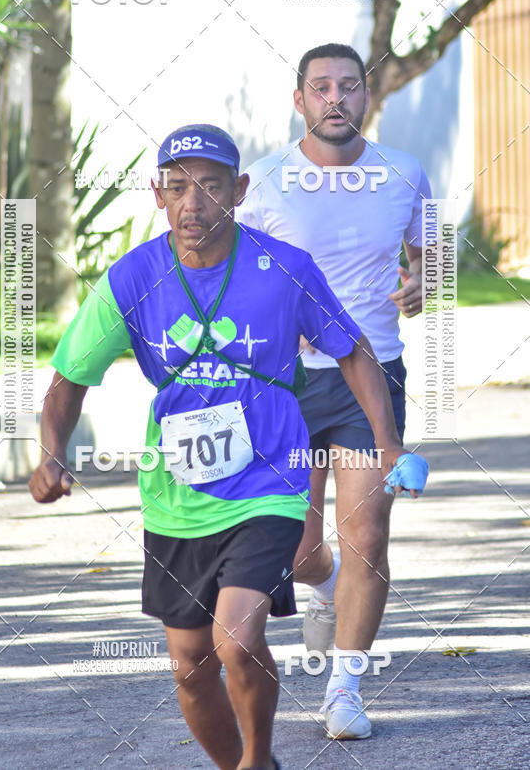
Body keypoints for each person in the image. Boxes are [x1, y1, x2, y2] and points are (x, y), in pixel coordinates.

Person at [29, 123, 414, 768]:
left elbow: (353, 352)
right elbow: (68, 380)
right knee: (189, 664)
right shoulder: (131, 278)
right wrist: (53, 453)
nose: (193, 202)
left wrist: (388, 445)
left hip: (269, 482)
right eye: (177, 187)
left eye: (209, 186)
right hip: (176, 493)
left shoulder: (283, 268)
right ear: (157, 195)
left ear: (237, 192)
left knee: (235, 637)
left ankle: (257, 758)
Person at [236, 43, 432, 740]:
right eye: (321, 87)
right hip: (283, 387)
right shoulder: (261, 182)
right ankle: (327, 587)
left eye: (349, 86)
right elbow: (232, 277)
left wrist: (421, 284)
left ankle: (345, 688)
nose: (335, 99)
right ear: (300, 101)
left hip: (370, 379)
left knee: (367, 534)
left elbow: (429, 256)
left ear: (365, 97)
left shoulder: (404, 174)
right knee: (296, 549)